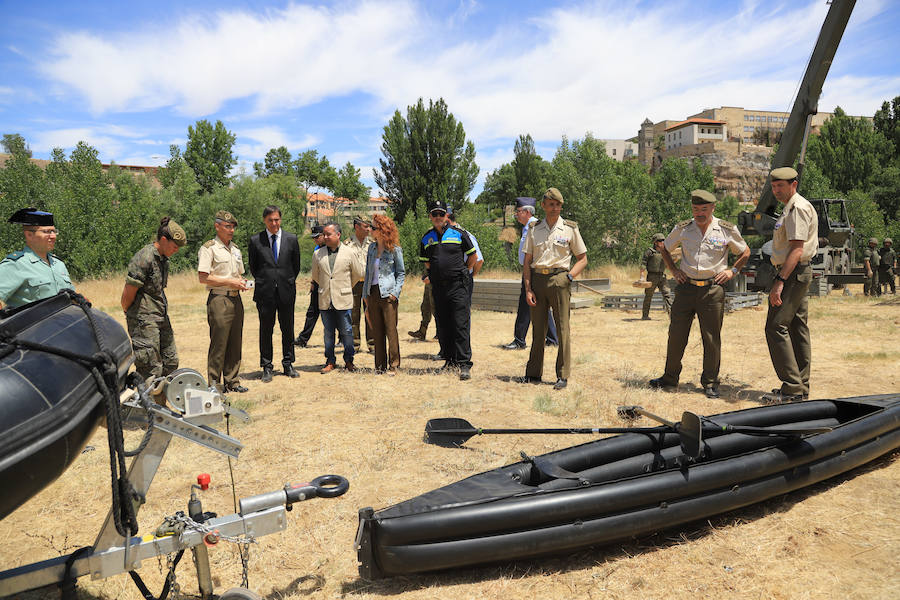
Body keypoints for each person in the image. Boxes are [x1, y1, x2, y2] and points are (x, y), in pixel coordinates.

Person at [648, 189, 749, 399]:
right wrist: (674, 271)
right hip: (685, 289)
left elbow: (745, 252)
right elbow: (665, 248)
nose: (699, 213)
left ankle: (710, 382)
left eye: (704, 209)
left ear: (713, 208)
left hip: (712, 290)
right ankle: (669, 379)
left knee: (711, 338)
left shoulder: (725, 229)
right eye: (695, 209)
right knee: (676, 335)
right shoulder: (683, 228)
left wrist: (733, 271)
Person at [521, 188, 588, 390]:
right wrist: (528, 289)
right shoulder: (534, 229)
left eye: (558, 204)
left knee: (562, 329)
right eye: (551, 204)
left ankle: (562, 375)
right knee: (538, 330)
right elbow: (527, 261)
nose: (554, 208)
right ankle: (533, 373)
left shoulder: (569, 228)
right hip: (538, 280)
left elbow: (583, 258)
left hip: (559, 280)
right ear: (543, 206)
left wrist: (569, 276)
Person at [761, 167, 819, 403]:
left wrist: (780, 281)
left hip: (793, 273)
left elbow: (796, 249)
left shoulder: (797, 208)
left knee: (775, 326)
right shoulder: (791, 208)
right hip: (797, 272)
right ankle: (800, 386)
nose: (776, 191)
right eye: (773, 187)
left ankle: (793, 388)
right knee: (797, 328)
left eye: (780, 186)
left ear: (793, 184)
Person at [120, 217, 186, 381]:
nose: (176, 250)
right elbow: (128, 292)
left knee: (170, 362)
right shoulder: (145, 257)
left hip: (160, 316)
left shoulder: (163, 259)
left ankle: (161, 401)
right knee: (150, 369)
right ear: (164, 240)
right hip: (144, 320)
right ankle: (146, 403)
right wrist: (132, 313)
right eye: (174, 246)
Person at [419, 199, 478, 381]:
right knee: (443, 325)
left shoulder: (459, 234)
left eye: (441, 214)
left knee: (460, 324)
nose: (437, 217)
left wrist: (463, 274)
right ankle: (449, 361)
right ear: (430, 217)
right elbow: (426, 262)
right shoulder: (426, 238)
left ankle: (464, 364)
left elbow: (473, 257)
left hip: (458, 286)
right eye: (434, 214)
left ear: (446, 216)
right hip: (438, 288)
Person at [198, 210, 251, 393]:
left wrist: (241, 283)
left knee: (235, 342)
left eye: (233, 227)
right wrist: (230, 282)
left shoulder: (235, 249)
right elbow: (203, 278)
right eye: (228, 226)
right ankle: (214, 384)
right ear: (217, 226)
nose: (231, 230)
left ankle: (232, 381)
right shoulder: (209, 248)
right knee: (219, 343)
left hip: (236, 299)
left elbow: (238, 274)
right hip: (219, 299)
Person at [248, 205, 302, 382]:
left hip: (286, 292)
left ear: (281, 219)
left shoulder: (291, 239)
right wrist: (268, 280)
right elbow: (254, 268)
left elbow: (296, 266)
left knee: (287, 329)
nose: (274, 223)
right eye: (270, 220)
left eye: (277, 219)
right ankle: (267, 366)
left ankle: (288, 363)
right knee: (266, 330)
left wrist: (284, 280)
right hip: (265, 293)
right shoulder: (256, 240)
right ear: (265, 220)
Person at [503, 197, 558, 350]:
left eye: (518, 212)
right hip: (532, 271)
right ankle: (552, 339)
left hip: (533, 271)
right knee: (540, 304)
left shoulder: (535, 226)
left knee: (524, 305)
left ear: (527, 212)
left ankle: (519, 340)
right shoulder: (529, 227)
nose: (516, 215)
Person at [311, 221, 363, 373]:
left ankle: (349, 360)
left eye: (328, 234)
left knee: (347, 331)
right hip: (325, 298)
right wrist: (328, 286)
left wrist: (344, 286)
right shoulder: (317, 254)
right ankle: (330, 361)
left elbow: (358, 274)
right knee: (328, 333)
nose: (325, 237)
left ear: (338, 235)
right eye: (324, 234)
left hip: (343, 298)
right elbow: (316, 275)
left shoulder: (349, 252)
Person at [0, 208, 75, 309]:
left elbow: (73, 299)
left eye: (54, 231)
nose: (53, 236)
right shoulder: (16, 264)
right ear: (29, 235)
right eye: (47, 232)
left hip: (64, 323)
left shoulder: (59, 264)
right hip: (31, 324)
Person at [363, 214, 405, 374]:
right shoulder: (371, 248)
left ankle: (394, 365)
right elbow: (368, 272)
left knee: (391, 330)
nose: (370, 230)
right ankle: (379, 367)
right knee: (377, 331)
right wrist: (365, 296)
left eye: (373, 227)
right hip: (372, 293)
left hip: (388, 295)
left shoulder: (394, 249)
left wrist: (395, 293)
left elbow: (401, 273)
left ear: (381, 229)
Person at [345, 216, 374, 353]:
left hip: (370, 284)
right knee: (353, 315)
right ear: (357, 227)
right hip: (354, 284)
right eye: (366, 226)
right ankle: (355, 345)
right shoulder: (347, 244)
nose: (369, 229)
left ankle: (373, 344)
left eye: (369, 226)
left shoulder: (373, 243)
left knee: (371, 314)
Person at [295, 226, 324, 347]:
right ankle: (303, 339)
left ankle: (342, 339)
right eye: (314, 237)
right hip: (317, 284)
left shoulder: (333, 248)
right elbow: (315, 269)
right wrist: (313, 282)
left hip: (330, 285)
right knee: (312, 312)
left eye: (317, 237)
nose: (315, 240)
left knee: (335, 313)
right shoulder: (317, 249)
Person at [640, 233, 674, 320]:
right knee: (648, 296)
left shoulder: (665, 252)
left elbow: (668, 263)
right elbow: (643, 264)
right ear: (655, 242)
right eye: (660, 241)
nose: (662, 242)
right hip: (652, 276)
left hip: (662, 276)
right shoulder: (650, 252)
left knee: (668, 295)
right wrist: (642, 276)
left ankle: (672, 316)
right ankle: (645, 315)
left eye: (663, 240)